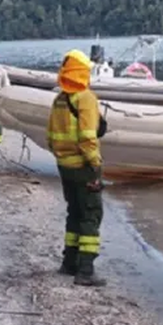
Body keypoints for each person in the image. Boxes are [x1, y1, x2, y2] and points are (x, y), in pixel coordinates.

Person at [46, 49, 106, 287]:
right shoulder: (86, 98)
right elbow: (88, 138)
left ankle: (68, 263)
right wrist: (96, 164)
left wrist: (62, 155)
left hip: (63, 165)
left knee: (74, 212)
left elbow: (50, 138)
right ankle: (86, 271)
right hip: (83, 165)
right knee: (91, 215)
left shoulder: (59, 99)